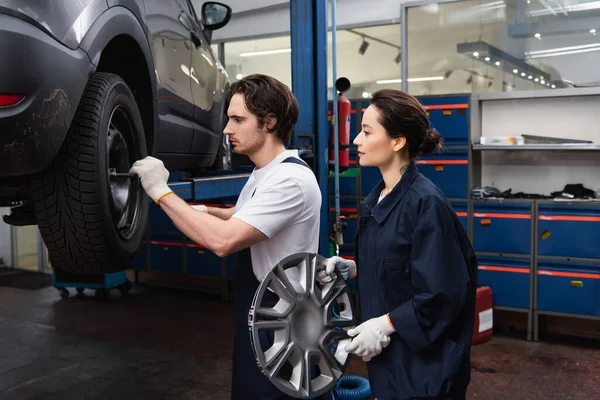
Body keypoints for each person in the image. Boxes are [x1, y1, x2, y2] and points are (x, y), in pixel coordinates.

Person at [130, 74, 321, 400]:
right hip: (262, 311)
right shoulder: (264, 172)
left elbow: (223, 241)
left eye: (238, 119)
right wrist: (198, 211)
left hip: (284, 323)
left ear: (269, 122)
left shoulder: (290, 180)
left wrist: (161, 192)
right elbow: (239, 216)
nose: (227, 129)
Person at [318, 89, 478, 400]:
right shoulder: (378, 199)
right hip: (391, 365)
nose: (355, 141)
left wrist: (386, 324)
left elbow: (443, 292)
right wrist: (353, 269)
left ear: (397, 141)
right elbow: (401, 265)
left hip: (425, 371)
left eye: (366, 132)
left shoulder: (425, 204)